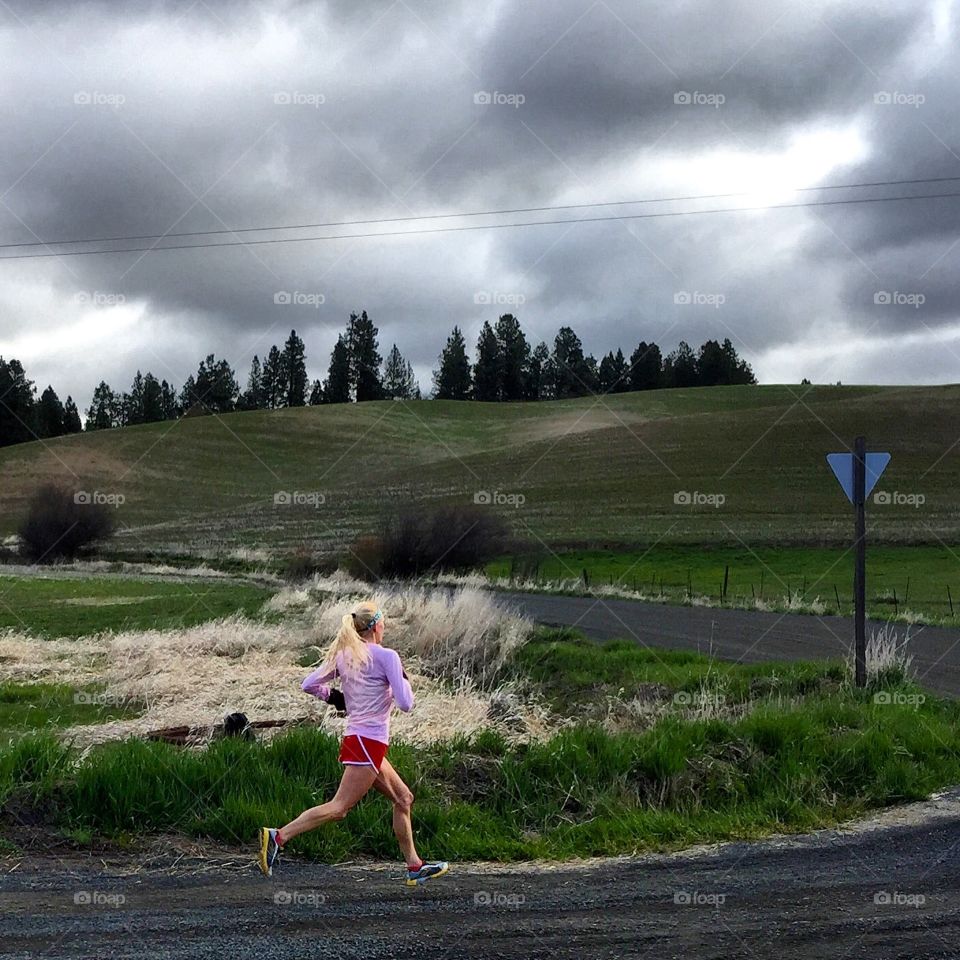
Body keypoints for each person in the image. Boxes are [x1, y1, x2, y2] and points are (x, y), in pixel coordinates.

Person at [258, 601, 449, 886]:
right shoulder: (387, 657)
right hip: (368, 743)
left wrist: (336, 698)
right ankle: (279, 837)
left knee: (403, 798)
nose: (385, 627)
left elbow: (308, 684)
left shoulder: (346, 656)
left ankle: (414, 867)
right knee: (339, 808)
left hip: (360, 741)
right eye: (383, 622)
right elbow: (406, 704)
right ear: (376, 626)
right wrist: (404, 678)